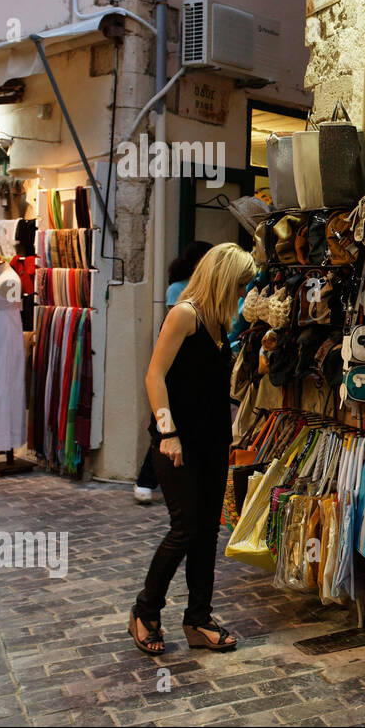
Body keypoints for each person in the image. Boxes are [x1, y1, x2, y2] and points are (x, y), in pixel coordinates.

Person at [129, 243, 254, 655]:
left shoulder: (220, 326)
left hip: (214, 443)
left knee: (205, 534)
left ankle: (198, 618)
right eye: (239, 284)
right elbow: (155, 375)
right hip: (177, 445)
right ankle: (145, 611)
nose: (242, 293)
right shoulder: (185, 315)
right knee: (185, 529)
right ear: (222, 278)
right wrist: (167, 433)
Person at [134, 241, 213, 504]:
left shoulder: (216, 302)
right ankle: (146, 480)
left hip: (200, 387)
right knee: (166, 428)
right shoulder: (180, 297)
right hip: (177, 369)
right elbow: (155, 372)